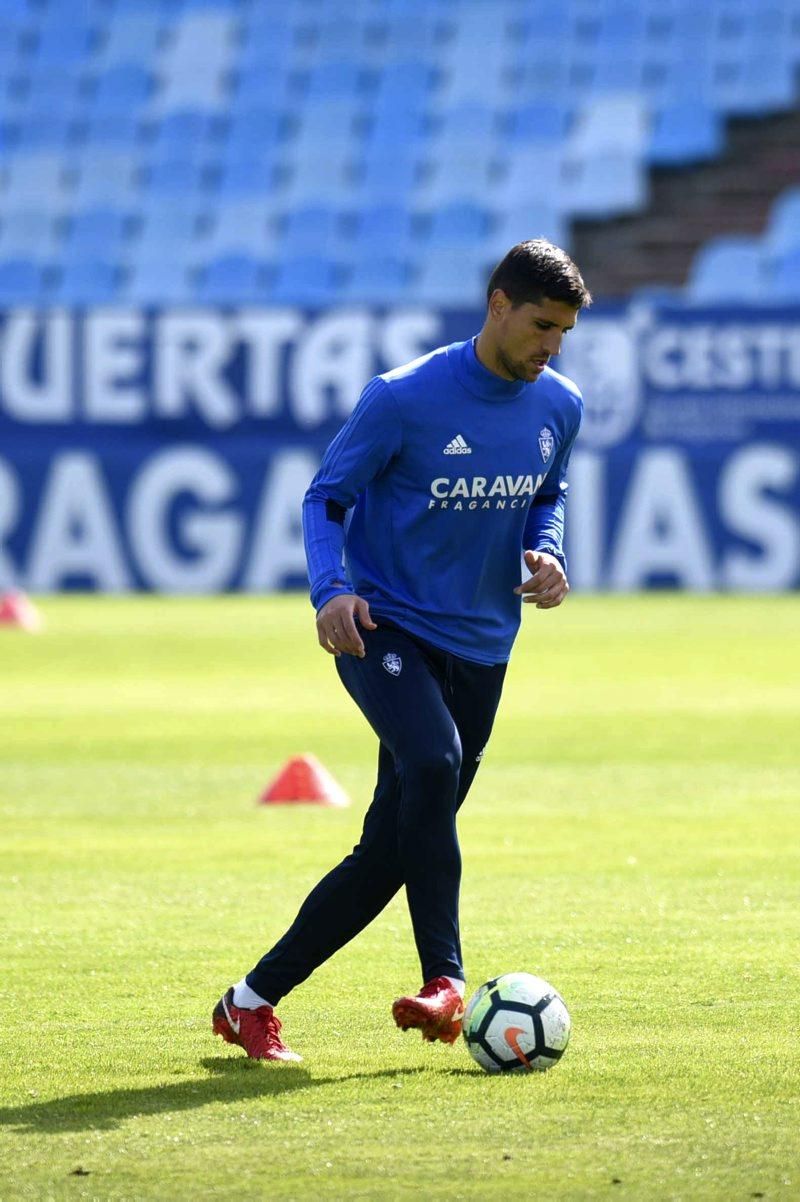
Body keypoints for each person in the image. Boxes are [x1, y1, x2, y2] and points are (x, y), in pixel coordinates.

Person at [213, 239, 592, 1061]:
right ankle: (448, 981)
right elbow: (326, 496)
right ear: (498, 304)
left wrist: (550, 551)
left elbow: (548, 495)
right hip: (382, 628)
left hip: (485, 644)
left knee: (392, 847)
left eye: (562, 332)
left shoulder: (559, 405)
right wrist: (330, 590)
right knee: (432, 764)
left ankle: (248, 1001)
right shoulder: (403, 398)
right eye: (540, 325)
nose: (550, 346)